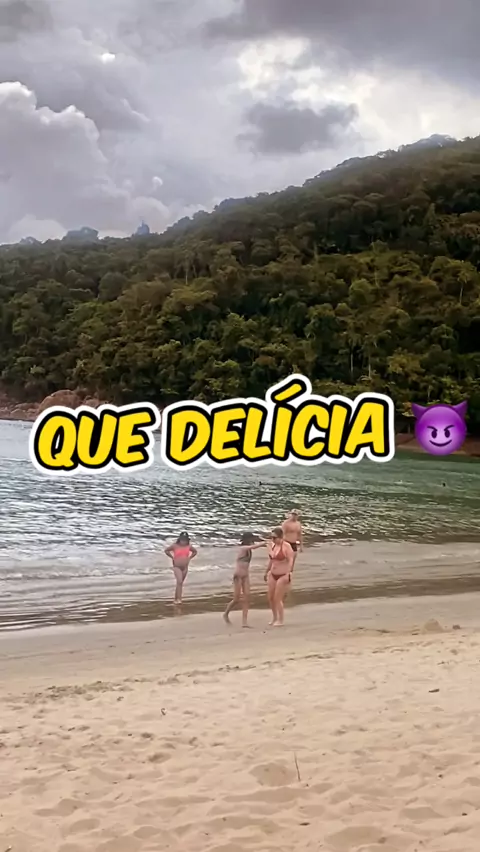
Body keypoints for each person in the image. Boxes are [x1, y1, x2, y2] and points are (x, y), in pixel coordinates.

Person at [223, 533, 266, 627]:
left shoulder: (249, 550)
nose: (252, 541)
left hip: (245, 575)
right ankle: (226, 614)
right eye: (251, 539)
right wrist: (263, 543)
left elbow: (253, 546)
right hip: (238, 575)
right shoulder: (243, 548)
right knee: (236, 599)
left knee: (247, 597)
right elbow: (253, 547)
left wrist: (264, 540)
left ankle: (244, 622)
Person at [264, 527, 294, 627]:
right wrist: (266, 571)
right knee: (270, 597)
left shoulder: (286, 546)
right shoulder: (273, 546)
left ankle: (280, 620)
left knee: (277, 598)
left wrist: (288, 573)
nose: (272, 539)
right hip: (273, 574)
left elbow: (290, 561)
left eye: (274, 538)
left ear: (281, 537)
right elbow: (272, 560)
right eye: (271, 537)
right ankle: (274, 617)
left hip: (283, 574)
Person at [165, 532, 197, 603]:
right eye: (182, 540)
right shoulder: (175, 546)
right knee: (179, 581)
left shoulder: (188, 546)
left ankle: (178, 598)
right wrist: (172, 557)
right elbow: (166, 550)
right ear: (179, 539)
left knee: (180, 583)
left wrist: (190, 558)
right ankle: (178, 599)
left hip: (185, 567)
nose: (183, 541)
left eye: (185, 540)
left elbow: (195, 552)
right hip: (177, 566)